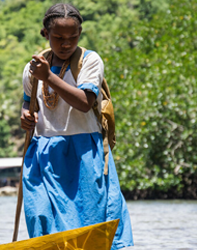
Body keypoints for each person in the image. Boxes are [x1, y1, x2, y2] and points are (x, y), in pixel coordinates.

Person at [20, 3, 133, 249]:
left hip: (82, 152)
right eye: (58, 38)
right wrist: (25, 118)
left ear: (80, 33)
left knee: (87, 219)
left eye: (73, 37)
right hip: (43, 152)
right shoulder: (34, 68)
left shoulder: (90, 61)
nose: (66, 44)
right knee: (40, 215)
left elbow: (84, 102)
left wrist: (48, 77)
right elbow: (28, 103)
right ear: (45, 34)